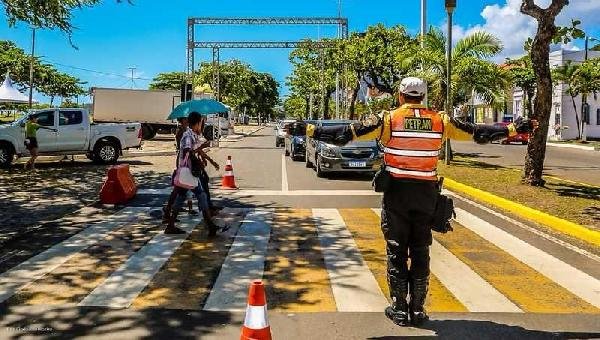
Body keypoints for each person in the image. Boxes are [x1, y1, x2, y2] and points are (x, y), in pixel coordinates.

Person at [307, 77, 537, 327]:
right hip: (426, 194)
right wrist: (514, 128)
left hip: (397, 194)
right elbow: (478, 133)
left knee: (396, 249)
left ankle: (398, 308)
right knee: (420, 250)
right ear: (423, 96)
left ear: (400, 95)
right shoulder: (441, 120)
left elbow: (345, 134)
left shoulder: (388, 119)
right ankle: (417, 309)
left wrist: (307, 129)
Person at [165, 112, 221, 236]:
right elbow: (187, 152)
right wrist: (199, 162)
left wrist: (203, 150)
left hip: (187, 172)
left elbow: (193, 150)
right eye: (201, 123)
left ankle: (171, 224)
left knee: (181, 197)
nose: (201, 125)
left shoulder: (192, 135)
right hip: (188, 172)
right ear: (196, 123)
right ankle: (211, 226)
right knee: (201, 195)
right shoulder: (188, 136)